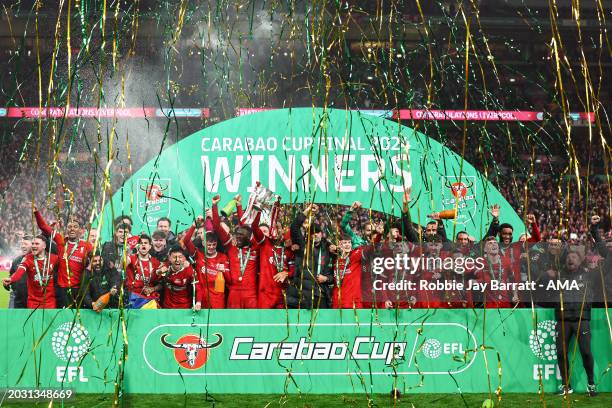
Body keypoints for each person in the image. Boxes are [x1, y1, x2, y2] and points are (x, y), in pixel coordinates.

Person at [539, 248, 602, 397]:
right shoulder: (558, 276)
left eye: (574, 256)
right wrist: (546, 273)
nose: (570, 259)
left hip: (582, 319)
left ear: (580, 260)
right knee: (561, 353)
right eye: (568, 257)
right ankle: (566, 386)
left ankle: (591, 384)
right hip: (563, 320)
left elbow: (606, 269)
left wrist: (595, 230)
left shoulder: (589, 275)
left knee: (586, 352)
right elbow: (538, 278)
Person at [2, 207, 64, 308]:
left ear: (44, 246)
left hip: (50, 302)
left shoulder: (53, 258)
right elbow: (19, 272)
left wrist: (38, 215)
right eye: (33, 243)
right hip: (33, 302)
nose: (34, 246)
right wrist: (11, 279)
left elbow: (56, 239)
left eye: (36, 244)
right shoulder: (28, 258)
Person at [35, 209, 92, 308]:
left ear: (80, 230)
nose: (72, 229)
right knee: (64, 319)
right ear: (66, 229)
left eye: (75, 227)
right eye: (69, 227)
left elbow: (95, 261)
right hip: (63, 290)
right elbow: (43, 226)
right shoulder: (61, 242)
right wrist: (36, 212)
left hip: (79, 290)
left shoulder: (87, 246)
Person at [212, 195, 259, 308]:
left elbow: (246, 228)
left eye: (240, 236)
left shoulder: (255, 248)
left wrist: (239, 206)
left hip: (251, 294)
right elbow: (217, 227)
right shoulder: (231, 247)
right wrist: (214, 206)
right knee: (232, 324)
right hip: (234, 293)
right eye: (236, 236)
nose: (237, 238)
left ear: (248, 237)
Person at [288, 203, 333, 309]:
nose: (315, 234)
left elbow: (333, 274)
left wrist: (326, 279)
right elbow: (294, 227)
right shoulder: (302, 245)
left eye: (317, 232)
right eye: (312, 233)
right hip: (302, 295)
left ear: (322, 234)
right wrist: (307, 211)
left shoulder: (328, 249)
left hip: (320, 294)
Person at [185, 218, 229, 309]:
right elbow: (186, 241)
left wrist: (224, 270)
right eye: (209, 245)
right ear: (203, 243)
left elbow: (228, 279)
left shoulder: (223, 257)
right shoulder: (198, 255)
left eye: (214, 244)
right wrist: (194, 225)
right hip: (201, 297)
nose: (211, 247)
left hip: (218, 298)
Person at [252, 211, 292, 309]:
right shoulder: (265, 244)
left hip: (283, 295)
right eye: (273, 228)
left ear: (282, 230)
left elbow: (295, 269)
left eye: (278, 228)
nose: (275, 230)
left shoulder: (288, 250)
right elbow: (254, 226)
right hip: (266, 295)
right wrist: (259, 210)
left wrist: (287, 273)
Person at [124, 234, 162, 307]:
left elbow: (161, 284)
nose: (143, 245)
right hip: (133, 297)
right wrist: (129, 248)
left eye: (146, 243)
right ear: (137, 246)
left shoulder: (156, 263)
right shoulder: (132, 258)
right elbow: (121, 265)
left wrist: (152, 289)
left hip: (150, 298)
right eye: (141, 243)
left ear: (150, 246)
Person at [332, 234, 365, 309]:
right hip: (338, 303)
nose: (347, 245)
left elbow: (369, 249)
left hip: (352, 304)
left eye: (349, 242)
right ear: (339, 244)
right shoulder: (335, 259)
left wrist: (378, 235)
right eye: (344, 243)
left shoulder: (355, 256)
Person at [6, 233, 32, 308]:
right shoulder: (16, 260)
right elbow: (11, 276)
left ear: (32, 245)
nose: (23, 246)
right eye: (22, 244)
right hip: (16, 298)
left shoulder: (37, 260)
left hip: (32, 299)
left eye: (25, 244)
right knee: (12, 319)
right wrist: (7, 284)